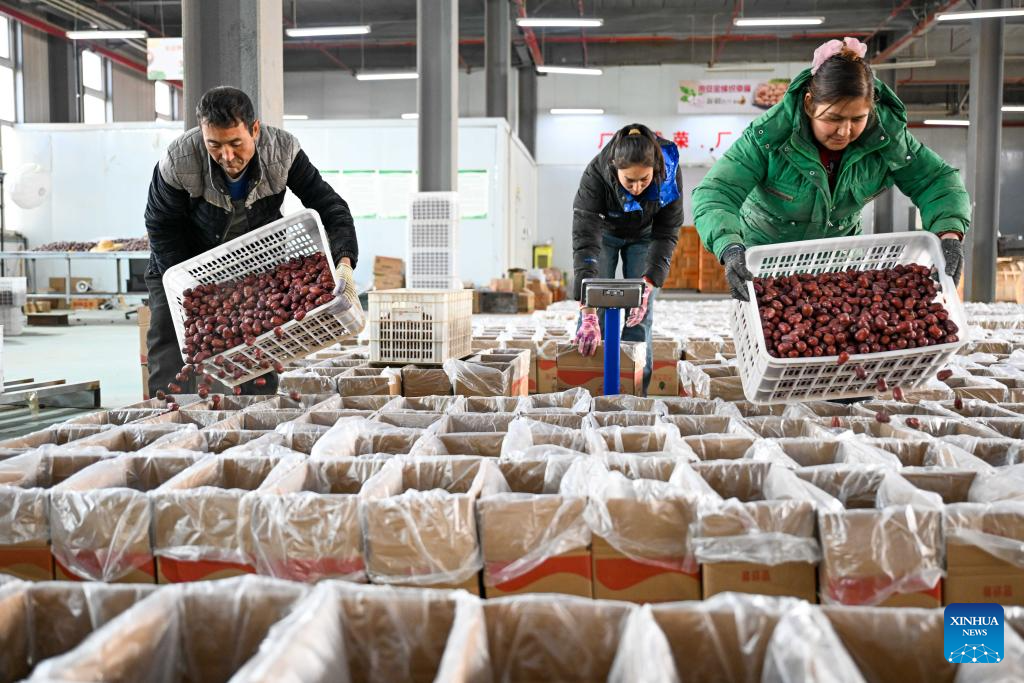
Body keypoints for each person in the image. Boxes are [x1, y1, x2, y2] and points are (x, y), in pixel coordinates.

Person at [692, 37, 970, 301]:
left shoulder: (887, 139)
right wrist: (730, 247)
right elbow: (716, 193)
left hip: (839, 267)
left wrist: (949, 235)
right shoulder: (768, 138)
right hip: (766, 267)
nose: (844, 131)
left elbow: (936, 180)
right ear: (809, 104)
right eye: (834, 118)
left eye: (857, 119)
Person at [144, 86, 358, 397]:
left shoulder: (282, 151)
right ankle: (168, 415)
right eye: (214, 145)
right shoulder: (179, 159)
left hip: (253, 264)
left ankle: (257, 413)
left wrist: (344, 262)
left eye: (236, 143)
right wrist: (190, 292)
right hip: (183, 261)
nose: (226, 156)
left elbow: (331, 207)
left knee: (258, 347)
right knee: (172, 341)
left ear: (254, 129)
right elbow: (161, 226)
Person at [571, 123, 683, 395]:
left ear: (655, 169)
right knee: (596, 307)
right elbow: (585, 240)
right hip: (604, 234)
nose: (636, 187)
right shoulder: (595, 175)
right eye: (629, 181)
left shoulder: (669, 172)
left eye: (644, 179)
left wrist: (649, 282)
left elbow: (667, 232)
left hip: (645, 237)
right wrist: (587, 311)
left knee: (639, 314)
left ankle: (635, 392)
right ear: (614, 168)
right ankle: (590, 389)